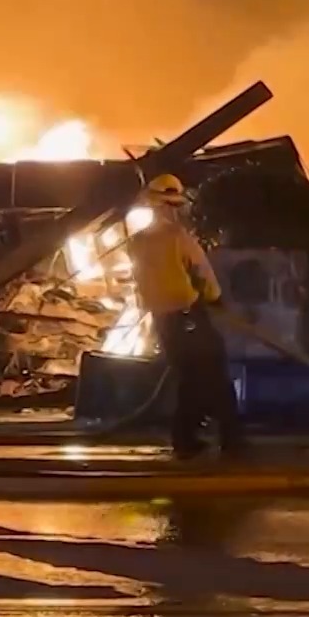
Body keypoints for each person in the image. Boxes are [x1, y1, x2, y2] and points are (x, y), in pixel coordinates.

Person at [127, 172, 244, 458]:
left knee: (188, 378)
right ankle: (231, 441)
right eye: (175, 206)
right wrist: (216, 299)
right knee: (214, 374)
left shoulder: (136, 242)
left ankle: (186, 440)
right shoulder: (178, 237)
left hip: (163, 321)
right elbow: (203, 272)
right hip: (189, 314)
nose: (178, 211)